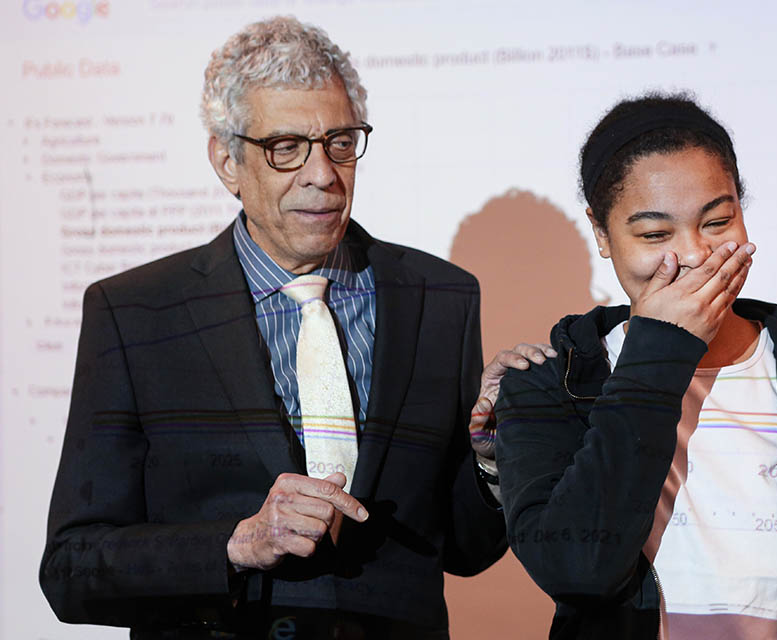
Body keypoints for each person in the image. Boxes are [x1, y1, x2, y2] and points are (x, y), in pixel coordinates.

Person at [39, 15, 543, 639]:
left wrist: (490, 456)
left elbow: (464, 549)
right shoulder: (134, 312)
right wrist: (239, 542)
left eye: (339, 141)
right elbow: (72, 568)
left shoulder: (441, 297)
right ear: (227, 161)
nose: (323, 174)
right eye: (286, 148)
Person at [494, 93, 777, 639]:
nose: (695, 255)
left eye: (718, 221)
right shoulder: (549, 383)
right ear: (602, 234)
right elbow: (577, 568)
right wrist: (660, 349)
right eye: (655, 234)